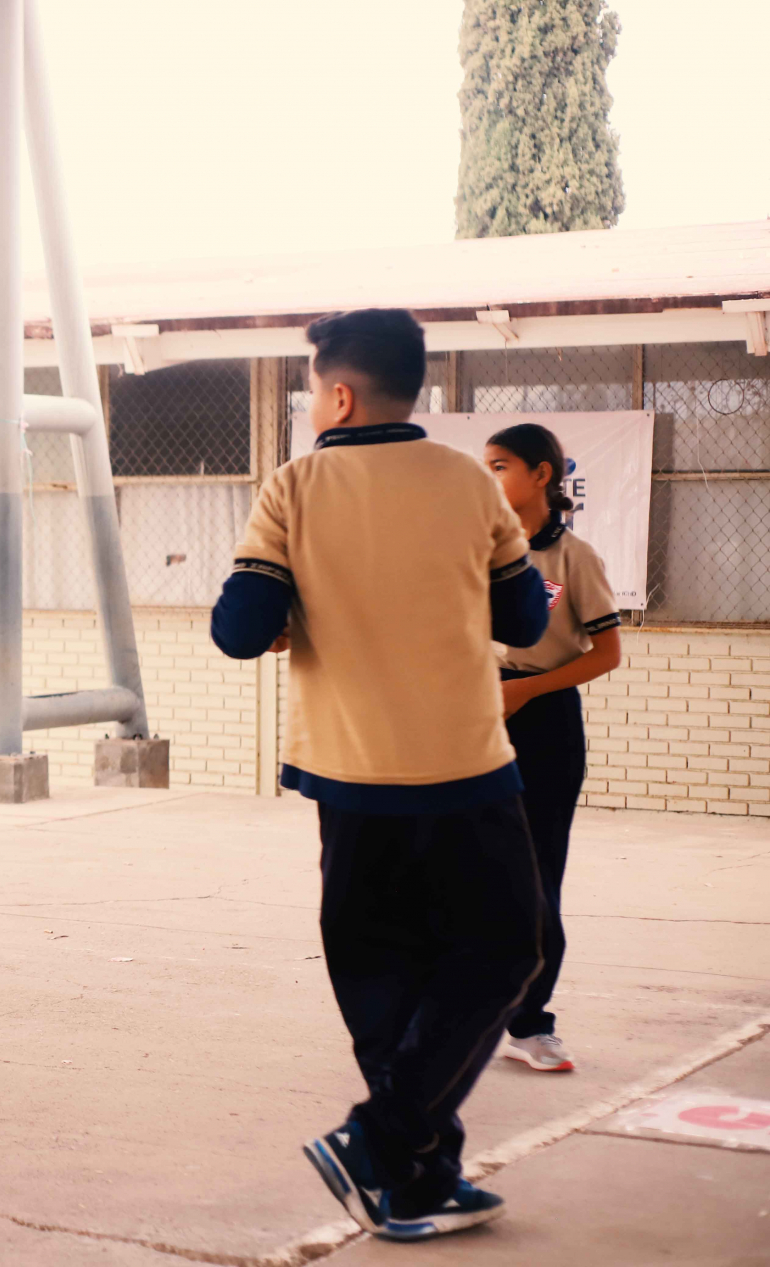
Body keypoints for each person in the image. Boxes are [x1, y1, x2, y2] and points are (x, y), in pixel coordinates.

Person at [209, 310, 552, 1241]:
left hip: (349, 784)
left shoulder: (295, 486)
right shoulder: (469, 483)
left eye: (313, 387)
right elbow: (524, 621)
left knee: (382, 980)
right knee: (500, 952)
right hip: (468, 775)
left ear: (341, 394)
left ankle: (396, 1156)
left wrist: (298, 604)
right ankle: (403, 1167)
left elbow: (240, 629)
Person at [484, 423, 621, 1074]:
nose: (490, 479)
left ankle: (531, 1024)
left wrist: (530, 690)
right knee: (469, 870)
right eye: (484, 466)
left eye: (501, 465)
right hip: (478, 714)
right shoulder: (476, 550)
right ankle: (466, 1016)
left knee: (538, 879)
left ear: (541, 475)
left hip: (545, 723)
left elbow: (608, 653)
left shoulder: (575, 559)